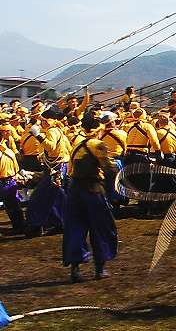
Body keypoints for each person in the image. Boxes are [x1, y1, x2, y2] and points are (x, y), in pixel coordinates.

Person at [63, 115, 118, 282]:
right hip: (93, 190)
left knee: (75, 228)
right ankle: (100, 269)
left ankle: (75, 270)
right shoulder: (98, 145)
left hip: (75, 191)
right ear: (97, 129)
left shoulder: (76, 145)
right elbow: (108, 169)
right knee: (101, 227)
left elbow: (70, 170)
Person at [0, 124, 25, 235]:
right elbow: (16, 167)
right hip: (11, 181)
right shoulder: (8, 151)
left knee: (11, 207)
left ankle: (18, 227)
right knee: (15, 205)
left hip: (4, 182)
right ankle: (20, 226)